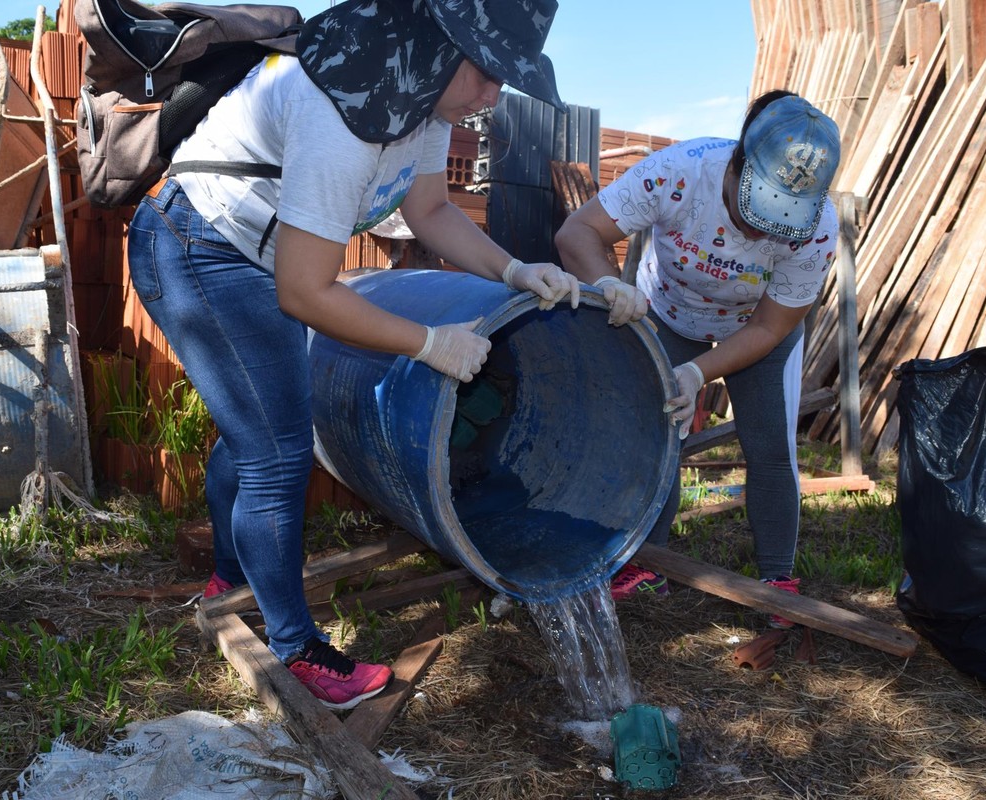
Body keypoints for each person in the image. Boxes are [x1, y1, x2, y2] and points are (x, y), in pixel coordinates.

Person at [126, 0, 579, 710]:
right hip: (197, 248)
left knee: (256, 428)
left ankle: (228, 579)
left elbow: (430, 211)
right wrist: (429, 343)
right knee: (278, 448)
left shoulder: (419, 99)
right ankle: (296, 650)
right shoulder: (343, 112)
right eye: (490, 73)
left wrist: (515, 272)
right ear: (441, 48)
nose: (496, 95)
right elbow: (308, 293)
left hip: (254, 256)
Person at [555, 91, 841, 622]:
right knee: (658, 438)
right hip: (666, 310)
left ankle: (779, 579)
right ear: (736, 164)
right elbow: (577, 231)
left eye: (781, 220)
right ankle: (646, 565)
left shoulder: (819, 227)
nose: (760, 232)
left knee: (771, 447)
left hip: (754, 328)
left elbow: (771, 327)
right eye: (755, 211)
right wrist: (606, 286)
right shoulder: (680, 172)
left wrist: (696, 372)